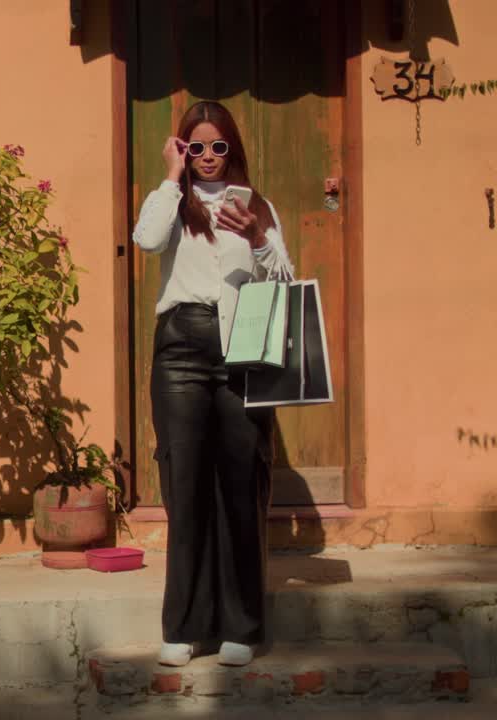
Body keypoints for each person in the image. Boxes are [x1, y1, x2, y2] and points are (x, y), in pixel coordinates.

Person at [131, 101, 295, 668]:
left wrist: (257, 239)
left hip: (243, 346)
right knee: (185, 484)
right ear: (182, 149)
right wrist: (169, 177)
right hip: (180, 347)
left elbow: (285, 279)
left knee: (241, 483)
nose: (206, 157)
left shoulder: (256, 206)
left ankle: (242, 628)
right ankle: (184, 626)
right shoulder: (171, 204)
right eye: (194, 146)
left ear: (233, 149)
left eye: (217, 146)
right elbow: (147, 241)